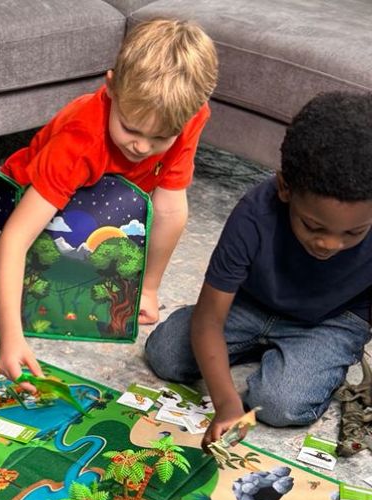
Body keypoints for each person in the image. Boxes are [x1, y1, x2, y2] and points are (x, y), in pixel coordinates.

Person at [0, 18, 218, 383]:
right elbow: (15, 239)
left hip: (104, 201)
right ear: (111, 87)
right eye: (130, 128)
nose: (141, 146)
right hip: (30, 202)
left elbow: (170, 206)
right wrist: (10, 337)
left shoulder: (187, 119)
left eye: (161, 138)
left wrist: (148, 288)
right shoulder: (80, 140)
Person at [145, 91, 372, 448]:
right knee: (166, 353)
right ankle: (263, 348)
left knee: (281, 404)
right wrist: (226, 403)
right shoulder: (254, 214)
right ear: (285, 188)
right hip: (251, 304)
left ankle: (296, 357)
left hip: (331, 320)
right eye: (313, 226)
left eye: (353, 233)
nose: (329, 243)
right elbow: (209, 320)